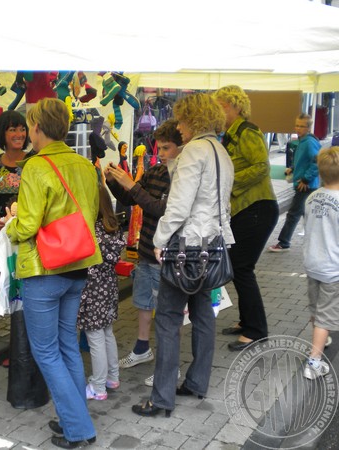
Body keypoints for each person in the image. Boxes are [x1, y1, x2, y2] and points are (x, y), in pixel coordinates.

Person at [5, 98, 102, 449]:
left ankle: (78, 429)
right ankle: (71, 418)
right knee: (67, 348)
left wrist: (9, 227)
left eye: (30, 125)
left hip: (44, 269)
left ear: (38, 128)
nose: (28, 130)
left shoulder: (35, 166)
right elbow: (88, 212)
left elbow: (28, 225)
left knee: (46, 352)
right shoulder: (83, 164)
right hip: (77, 265)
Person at [132, 93, 234, 418]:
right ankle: (197, 382)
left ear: (192, 120)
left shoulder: (193, 152)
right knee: (204, 314)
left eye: (181, 120)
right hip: (212, 245)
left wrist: (160, 240)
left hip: (186, 247)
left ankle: (162, 399)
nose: (178, 126)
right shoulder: (222, 152)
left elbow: (178, 206)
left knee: (168, 319)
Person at [105, 120, 182, 387]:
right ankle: (141, 348)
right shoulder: (156, 172)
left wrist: (131, 184)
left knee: (166, 311)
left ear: (181, 147)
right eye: (158, 148)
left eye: (167, 148)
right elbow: (131, 200)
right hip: (147, 250)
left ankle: (169, 364)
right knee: (142, 302)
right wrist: (113, 181)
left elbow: (161, 209)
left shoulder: (183, 176)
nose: (160, 153)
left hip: (167, 255)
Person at [213, 85, 279, 351]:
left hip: (257, 208)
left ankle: (256, 330)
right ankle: (246, 320)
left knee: (241, 268)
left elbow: (262, 167)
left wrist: (230, 183)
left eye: (222, 106)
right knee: (239, 267)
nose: (219, 111)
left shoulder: (247, 131)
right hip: (246, 210)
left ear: (235, 106)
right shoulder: (229, 135)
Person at [77, 185, 125, 401]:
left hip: (91, 289)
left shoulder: (89, 230)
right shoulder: (113, 226)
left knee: (94, 337)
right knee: (107, 332)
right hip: (108, 287)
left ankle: (98, 386)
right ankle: (112, 377)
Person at [302, 146, 339, 379]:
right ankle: (313, 363)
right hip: (333, 268)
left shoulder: (312, 197)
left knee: (316, 308)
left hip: (312, 263)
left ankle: (322, 335)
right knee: (326, 315)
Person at [0, 110, 33, 257]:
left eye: (23, 129)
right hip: (2, 237)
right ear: (1, 134)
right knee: (2, 275)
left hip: (28, 235)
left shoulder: (33, 161)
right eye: (13, 130)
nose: (20, 134)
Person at [268, 113, 320, 252]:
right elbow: (305, 161)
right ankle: (315, 242)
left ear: (308, 128)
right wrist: (292, 168)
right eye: (297, 125)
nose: (298, 128)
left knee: (293, 214)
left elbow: (316, 161)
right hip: (306, 183)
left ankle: (284, 242)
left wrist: (305, 179)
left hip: (306, 185)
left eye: (301, 126)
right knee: (306, 214)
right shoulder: (303, 141)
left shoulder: (308, 142)